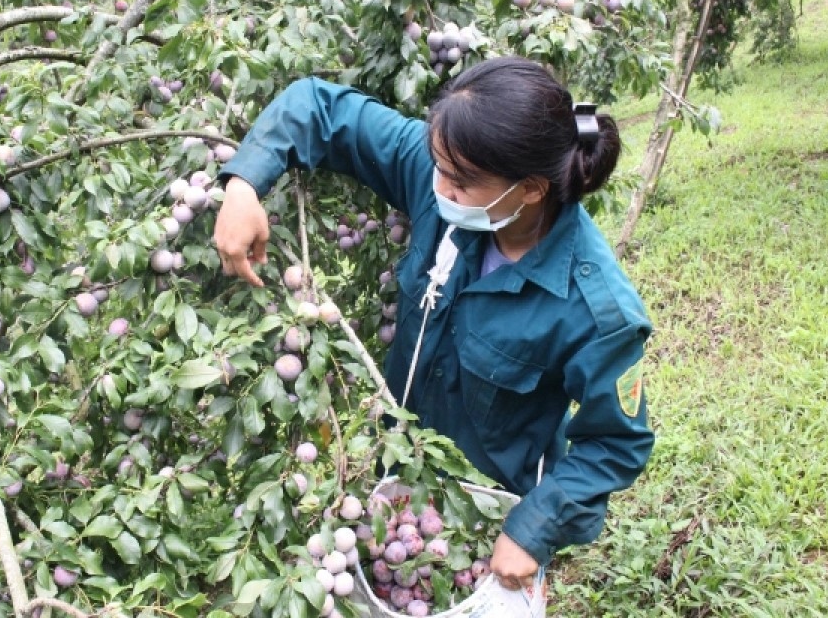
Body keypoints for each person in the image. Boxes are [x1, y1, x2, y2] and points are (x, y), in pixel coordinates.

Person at [212, 56, 654, 593]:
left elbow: (616, 443)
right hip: (393, 473)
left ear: (532, 189)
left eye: (460, 181)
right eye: (437, 165)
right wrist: (242, 185)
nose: (438, 187)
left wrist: (536, 526)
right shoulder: (445, 175)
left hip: (486, 516)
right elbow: (318, 105)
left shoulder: (596, 311)